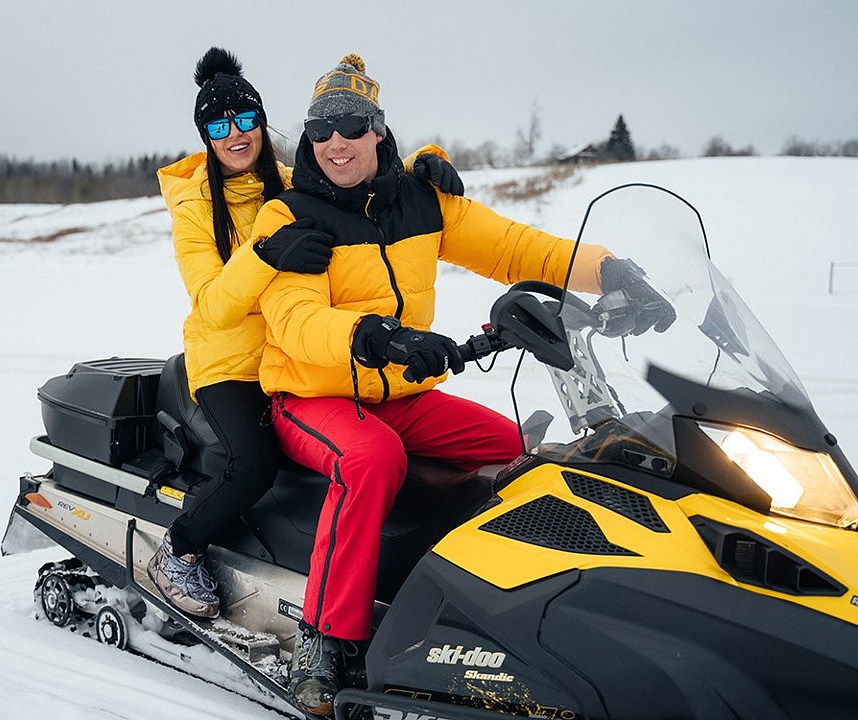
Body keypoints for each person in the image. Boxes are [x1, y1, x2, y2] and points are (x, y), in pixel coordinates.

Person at [251, 54, 668, 716]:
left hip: (400, 396)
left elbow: (517, 247)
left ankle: (492, 604)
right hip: (311, 395)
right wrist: (378, 335)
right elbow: (295, 321)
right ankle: (322, 637)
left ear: (378, 130)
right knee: (371, 459)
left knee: (521, 452)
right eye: (320, 130)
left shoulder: (422, 201)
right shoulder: (288, 216)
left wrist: (611, 271)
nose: (335, 143)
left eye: (351, 125)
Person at [151, 48, 466, 620]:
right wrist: (266, 255)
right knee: (255, 464)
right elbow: (214, 305)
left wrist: (423, 165)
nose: (235, 135)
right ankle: (179, 548)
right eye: (219, 127)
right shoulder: (194, 207)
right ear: (205, 137)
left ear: (262, 121)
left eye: (245, 120)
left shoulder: (295, 182)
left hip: (302, 356)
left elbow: (355, 174)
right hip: (233, 361)